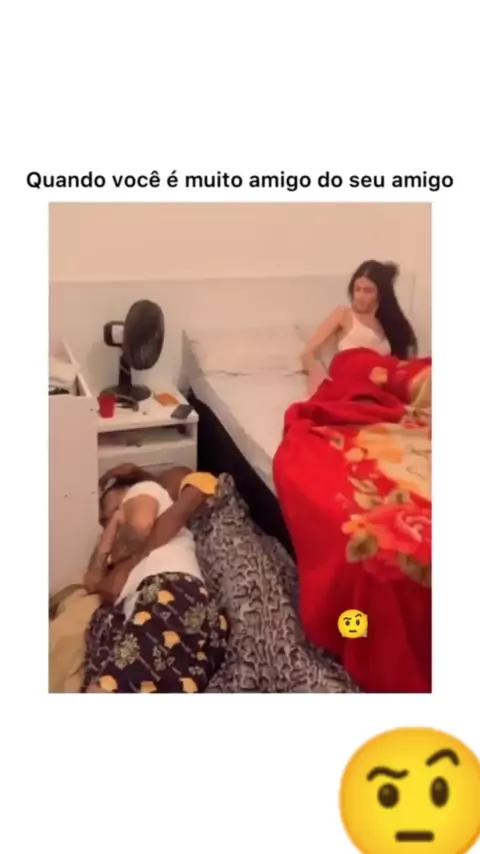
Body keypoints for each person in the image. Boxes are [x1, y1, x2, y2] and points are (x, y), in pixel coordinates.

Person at [83, 463, 228, 693]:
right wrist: (111, 530)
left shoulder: (143, 490)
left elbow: (141, 525)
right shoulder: (123, 546)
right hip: (173, 609)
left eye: (110, 510)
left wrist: (122, 512)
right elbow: (92, 581)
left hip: (168, 592)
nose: (106, 519)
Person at [300, 260, 418, 395]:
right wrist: (317, 376)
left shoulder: (388, 323)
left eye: (368, 291)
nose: (360, 296)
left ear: (381, 293)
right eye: (357, 289)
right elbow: (308, 352)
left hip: (380, 385)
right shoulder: (343, 314)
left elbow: (401, 365)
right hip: (351, 382)